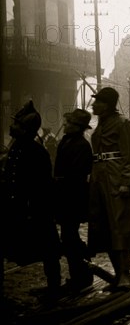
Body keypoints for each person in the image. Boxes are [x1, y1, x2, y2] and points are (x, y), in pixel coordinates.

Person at [0, 101, 62, 300]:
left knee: (49, 249)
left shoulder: (37, 152)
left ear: (25, 129)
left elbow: (44, 186)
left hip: (36, 210)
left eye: (16, 124)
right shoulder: (16, 148)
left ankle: (54, 288)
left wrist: (35, 209)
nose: (12, 127)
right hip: (15, 207)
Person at [89, 87, 130, 292]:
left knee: (120, 226)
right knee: (104, 228)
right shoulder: (100, 126)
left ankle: (125, 276)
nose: (94, 105)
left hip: (116, 180)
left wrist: (125, 182)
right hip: (99, 180)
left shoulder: (123, 125)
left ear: (108, 105)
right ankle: (117, 275)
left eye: (98, 102)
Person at [54, 109, 94, 293]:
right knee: (68, 236)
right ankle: (80, 274)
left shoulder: (81, 145)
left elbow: (76, 175)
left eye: (69, 123)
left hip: (73, 196)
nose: (65, 125)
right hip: (64, 196)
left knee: (69, 236)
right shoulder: (66, 141)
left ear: (77, 127)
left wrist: (61, 184)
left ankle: (82, 275)